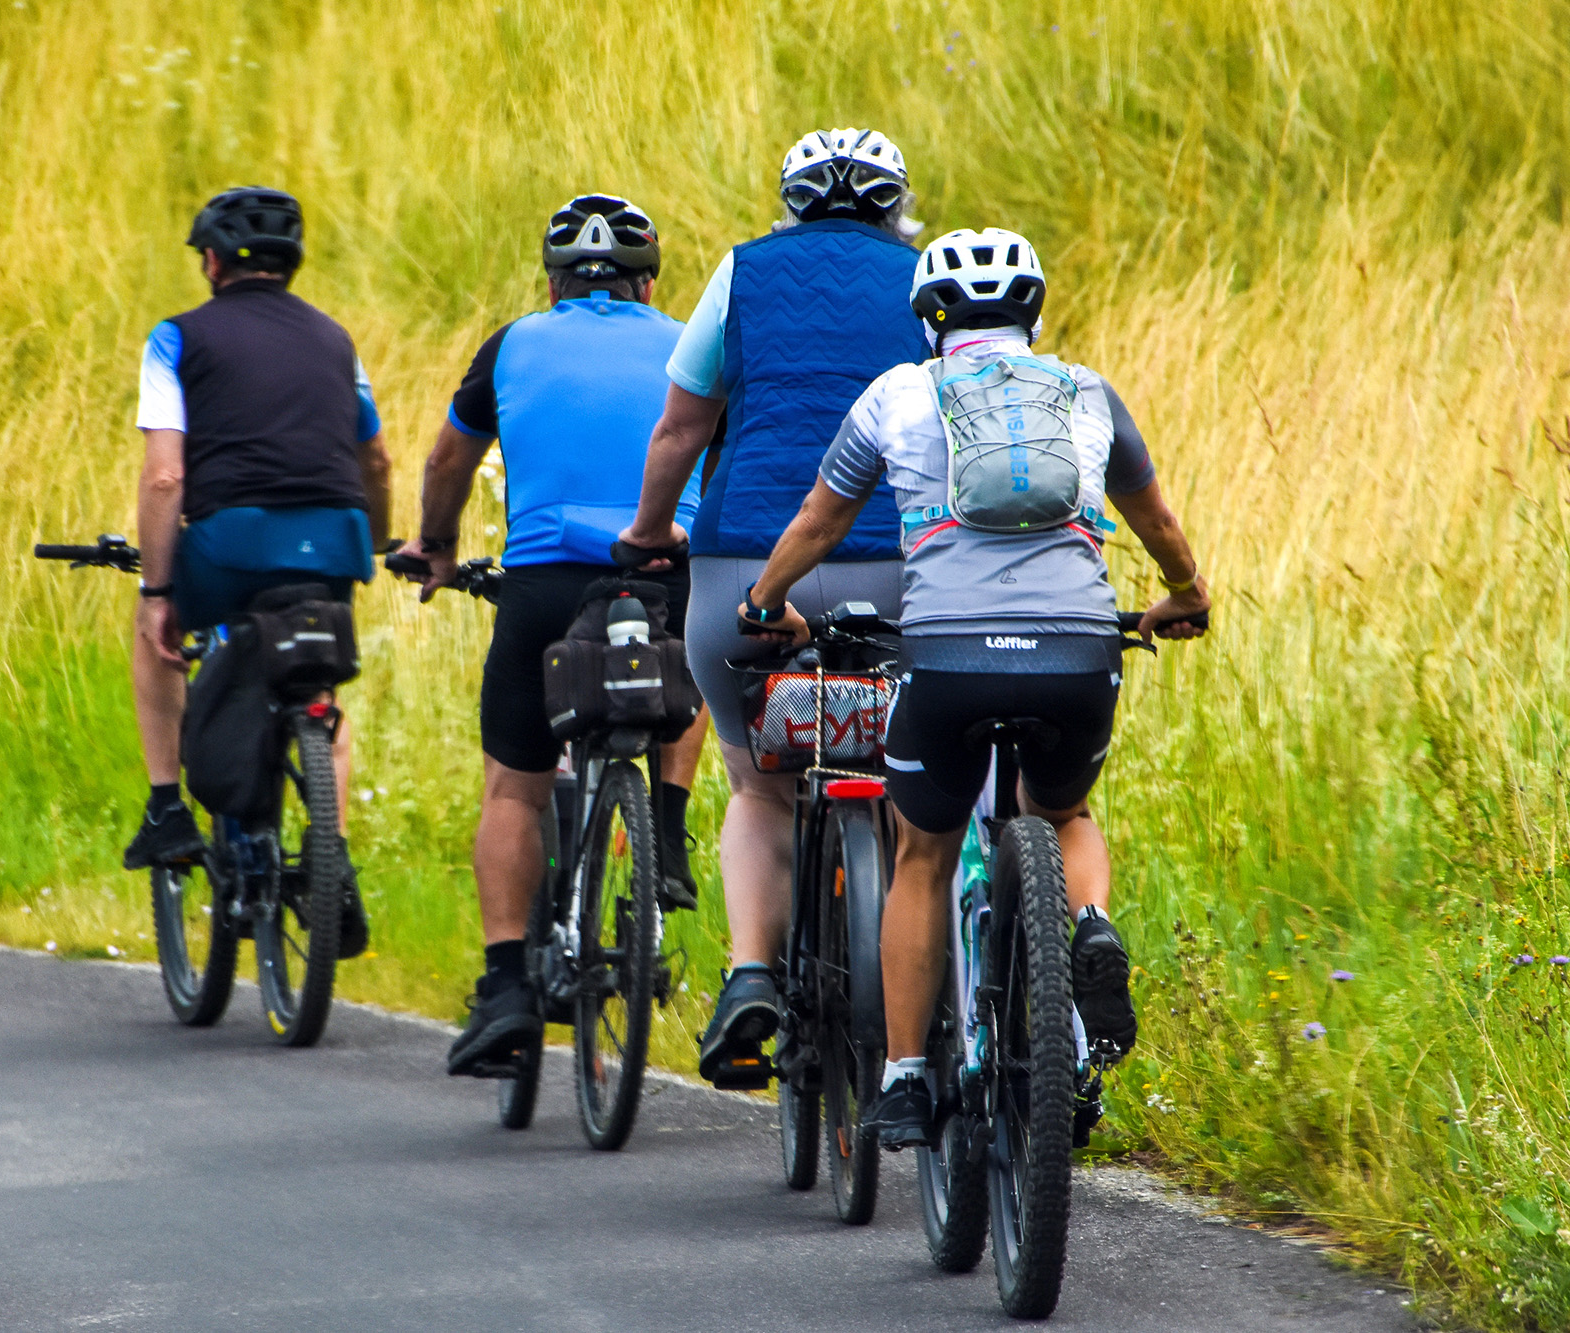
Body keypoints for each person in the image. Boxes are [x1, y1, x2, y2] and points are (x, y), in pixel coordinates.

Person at [737, 226, 1211, 1145]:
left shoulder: (895, 395)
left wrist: (764, 603)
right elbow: (1155, 518)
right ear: (1033, 316)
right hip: (1078, 653)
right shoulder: (1087, 391)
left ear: (931, 319)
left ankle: (906, 1077)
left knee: (925, 851)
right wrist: (1186, 595)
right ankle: (1091, 926)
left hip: (948, 657)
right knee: (1064, 812)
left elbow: (820, 521)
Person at [615, 129, 933, 1087]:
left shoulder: (742, 272)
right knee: (908, 785)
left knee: (758, 783)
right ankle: (921, 1013)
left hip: (749, 571)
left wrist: (649, 532)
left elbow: (682, 426)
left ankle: (752, 971)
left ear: (789, 203)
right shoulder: (929, 277)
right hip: (898, 566)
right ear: (897, 205)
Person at [394, 195, 713, 1076]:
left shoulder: (512, 344)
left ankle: (505, 986)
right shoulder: (690, 344)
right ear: (650, 284)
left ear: (552, 283)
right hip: (662, 570)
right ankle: (667, 828)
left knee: (515, 788)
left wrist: (438, 547)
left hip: (543, 588)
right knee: (685, 666)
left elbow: (447, 460)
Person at [124, 186, 392, 961]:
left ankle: (168, 807)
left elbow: (165, 477)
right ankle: (331, 859)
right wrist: (373, 544)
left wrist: (157, 590)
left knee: (154, 631)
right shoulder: (337, 341)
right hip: (335, 542)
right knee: (320, 683)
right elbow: (375, 458)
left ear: (212, 262)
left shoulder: (175, 339)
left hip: (230, 545)